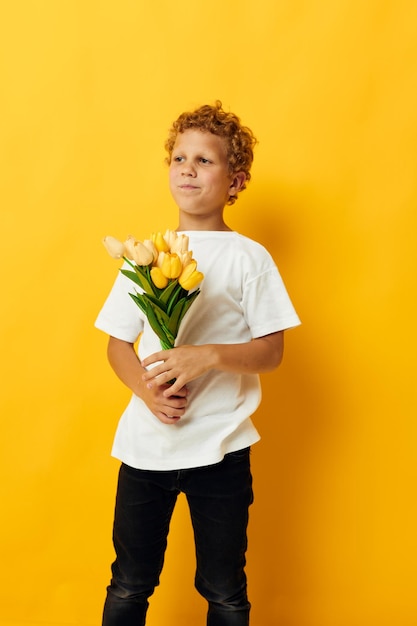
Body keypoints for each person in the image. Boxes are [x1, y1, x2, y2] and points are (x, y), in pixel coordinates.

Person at [95, 101, 301, 626]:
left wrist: (205, 356)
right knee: (129, 582)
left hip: (221, 448)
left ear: (237, 181)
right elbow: (118, 344)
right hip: (146, 447)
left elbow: (271, 351)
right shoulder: (144, 254)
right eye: (180, 158)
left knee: (224, 588)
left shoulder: (248, 258)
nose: (187, 168)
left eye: (205, 161)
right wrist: (147, 390)